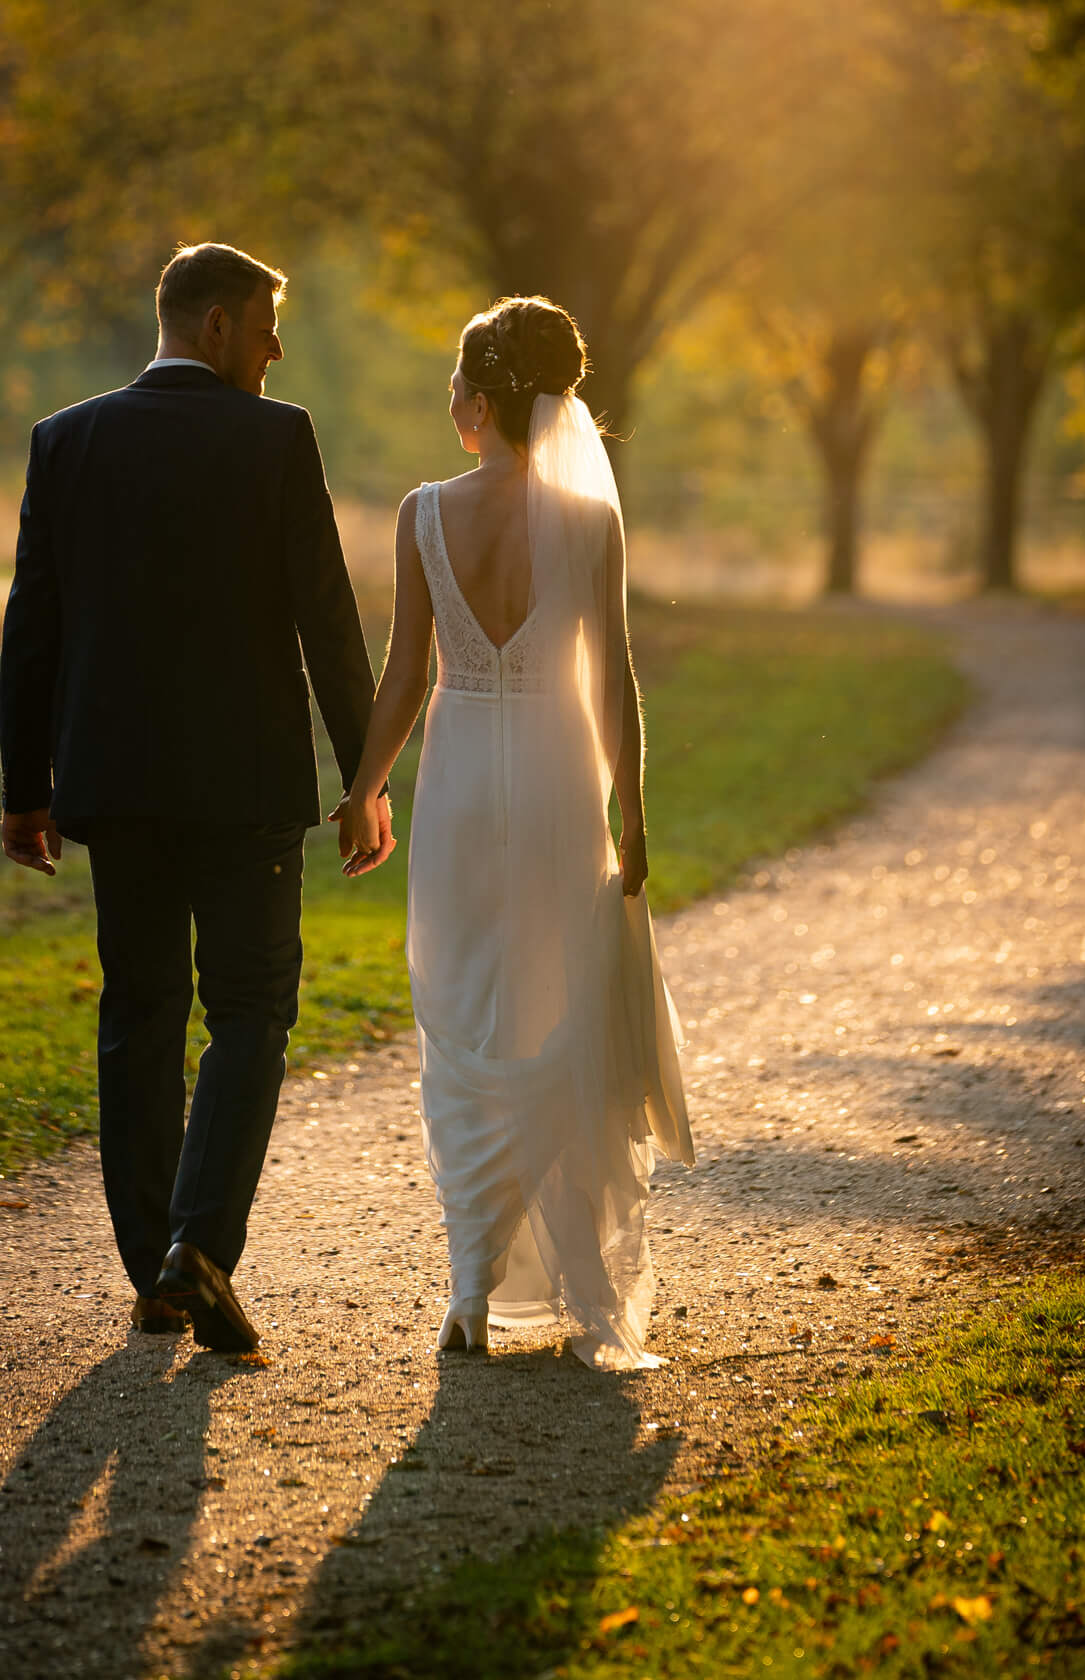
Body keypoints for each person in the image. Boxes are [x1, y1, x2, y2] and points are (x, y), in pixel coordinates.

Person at [0, 243, 390, 1351]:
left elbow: (36, 626)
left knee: (141, 1010)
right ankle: (198, 1246)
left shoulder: (65, 441)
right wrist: (363, 778)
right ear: (215, 325)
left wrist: (28, 790)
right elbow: (326, 618)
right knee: (251, 1010)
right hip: (246, 786)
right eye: (267, 324)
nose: (277, 348)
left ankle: (154, 1265)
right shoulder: (275, 439)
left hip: (114, 785)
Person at [338, 295, 692, 1369]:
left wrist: (364, 788)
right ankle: (559, 1275)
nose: (448, 401)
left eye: (455, 385)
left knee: (459, 1013)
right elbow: (615, 679)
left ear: (480, 403)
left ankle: (467, 1286)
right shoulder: (589, 521)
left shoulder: (421, 513)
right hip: (553, 777)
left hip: (456, 793)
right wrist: (631, 810)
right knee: (558, 1011)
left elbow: (405, 674)